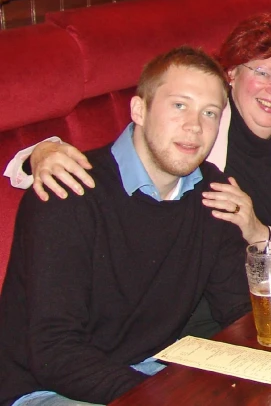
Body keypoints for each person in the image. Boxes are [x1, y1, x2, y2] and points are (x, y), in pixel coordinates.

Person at [4, 14, 271, 287]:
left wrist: (259, 233)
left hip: (255, 300)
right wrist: (43, 152)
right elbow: (122, 158)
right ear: (232, 74)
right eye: (263, 72)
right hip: (187, 302)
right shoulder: (197, 127)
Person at [0, 47, 252, 405]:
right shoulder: (68, 192)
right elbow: (53, 352)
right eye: (179, 105)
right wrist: (158, 396)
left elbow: (238, 309)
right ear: (139, 110)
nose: (194, 126)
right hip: (47, 387)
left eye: (209, 113)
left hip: (151, 370)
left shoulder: (211, 193)